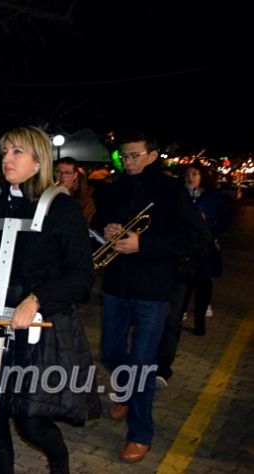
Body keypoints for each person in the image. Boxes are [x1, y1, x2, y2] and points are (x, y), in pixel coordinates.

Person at [0, 126, 100, 474]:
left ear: (38, 161)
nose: (7, 159)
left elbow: (82, 276)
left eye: (17, 152)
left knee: (31, 421)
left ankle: (59, 462)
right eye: (5, 151)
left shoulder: (62, 207)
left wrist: (37, 299)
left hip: (36, 327)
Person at [91, 131, 212, 463]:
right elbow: (98, 222)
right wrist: (108, 230)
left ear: (153, 154)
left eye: (134, 156)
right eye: (124, 157)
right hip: (116, 285)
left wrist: (144, 245)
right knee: (112, 351)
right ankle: (128, 393)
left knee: (143, 364)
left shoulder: (172, 191)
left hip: (155, 290)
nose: (128, 162)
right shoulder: (114, 188)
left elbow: (198, 240)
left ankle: (140, 432)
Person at [180, 161, 231, 335]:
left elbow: (224, 220)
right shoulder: (180, 194)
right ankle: (178, 314)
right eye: (188, 174)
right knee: (183, 284)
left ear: (202, 176)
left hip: (205, 248)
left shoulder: (212, 196)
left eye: (195, 174)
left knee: (203, 285)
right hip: (184, 247)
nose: (191, 178)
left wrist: (208, 219)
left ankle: (199, 320)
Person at [55, 156, 97, 225]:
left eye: (67, 173)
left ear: (75, 175)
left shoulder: (85, 200)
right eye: (58, 171)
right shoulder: (48, 194)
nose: (61, 176)